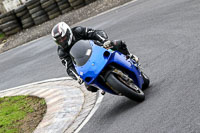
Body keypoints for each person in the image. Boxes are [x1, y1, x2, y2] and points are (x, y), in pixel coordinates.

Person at [51, 22, 139, 93]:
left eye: (63, 38)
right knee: (89, 86)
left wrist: (104, 41)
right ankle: (105, 86)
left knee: (118, 43)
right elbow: (69, 67)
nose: (62, 41)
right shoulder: (61, 51)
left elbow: (95, 33)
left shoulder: (78, 31)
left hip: (98, 48)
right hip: (85, 63)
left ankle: (129, 56)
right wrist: (78, 76)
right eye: (59, 40)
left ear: (68, 32)